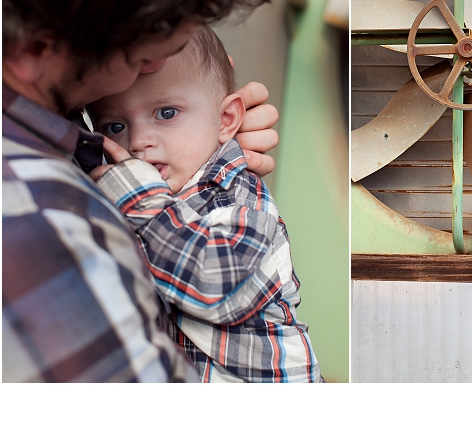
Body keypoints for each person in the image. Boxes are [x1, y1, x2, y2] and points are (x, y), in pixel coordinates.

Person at [3, 0, 286, 382]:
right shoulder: (39, 223)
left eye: (166, 110)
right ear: (36, 48)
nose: (154, 63)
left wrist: (204, 154)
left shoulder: (63, 138)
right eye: (142, 50)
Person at [87, 27, 322, 382]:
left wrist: (138, 200)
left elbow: (216, 288)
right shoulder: (156, 200)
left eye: (166, 113)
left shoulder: (239, 194)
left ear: (227, 119)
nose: (138, 141)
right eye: (116, 125)